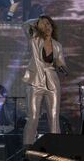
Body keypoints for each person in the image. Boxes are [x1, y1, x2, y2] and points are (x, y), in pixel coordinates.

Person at [22, 15, 67, 147]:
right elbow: (25, 25)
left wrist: (61, 66)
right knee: (33, 116)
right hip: (35, 81)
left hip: (52, 82)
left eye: (49, 24)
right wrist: (38, 20)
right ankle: (28, 147)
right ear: (39, 27)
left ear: (53, 27)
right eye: (44, 24)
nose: (47, 27)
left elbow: (61, 63)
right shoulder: (35, 40)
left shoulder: (57, 46)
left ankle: (55, 147)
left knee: (54, 116)